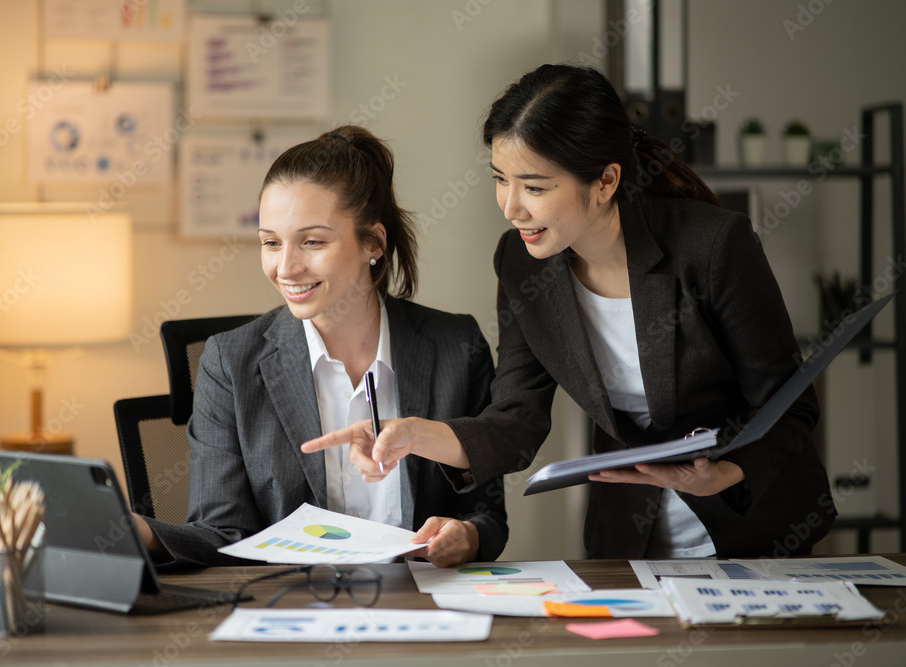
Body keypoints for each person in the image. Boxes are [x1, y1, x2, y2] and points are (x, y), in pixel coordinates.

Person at [303, 65, 835, 559]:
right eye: (499, 179)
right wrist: (413, 435)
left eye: (534, 187)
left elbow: (790, 407)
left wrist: (724, 473)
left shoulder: (713, 246)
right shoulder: (522, 263)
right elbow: (515, 419)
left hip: (752, 523)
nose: (511, 208)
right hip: (630, 531)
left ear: (605, 181)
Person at [134, 125, 508, 568]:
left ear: (373, 243)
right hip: (292, 611)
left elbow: (487, 515)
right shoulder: (229, 362)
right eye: (271, 243)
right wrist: (144, 533)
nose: (286, 267)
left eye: (312, 241)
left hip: (418, 609)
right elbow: (222, 533)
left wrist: (466, 536)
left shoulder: (456, 348)